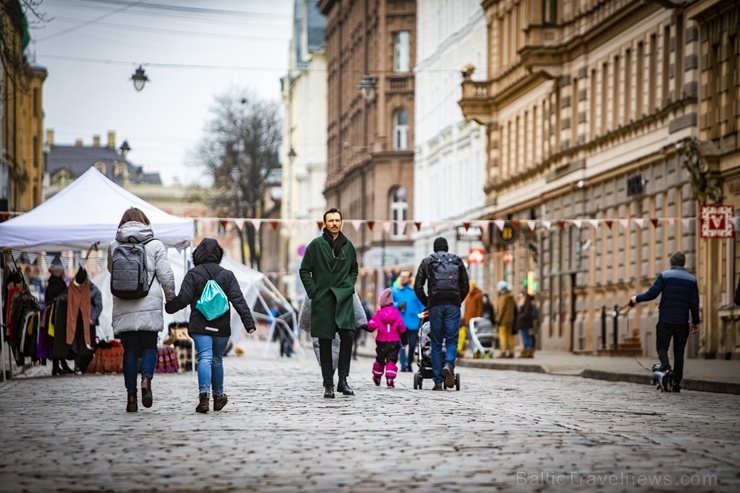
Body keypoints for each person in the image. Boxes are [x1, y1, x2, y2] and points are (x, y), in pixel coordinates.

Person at [165, 238, 257, 413]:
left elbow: (183, 299)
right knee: (217, 359)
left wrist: (169, 307)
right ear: (218, 254)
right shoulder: (227, 275)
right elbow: (239, 300)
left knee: (204, 358)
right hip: (221, 326)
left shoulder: (193, 274)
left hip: (200, 325)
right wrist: (249, 323)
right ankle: (219, 396)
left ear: (198, 254)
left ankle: (204, 397)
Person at [108, 207, 176, 413]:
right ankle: (146, 379)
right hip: (149, 303)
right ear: (144, 222)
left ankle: (131, 396)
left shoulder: (113, 245)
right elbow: (165, 275)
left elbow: (112, 271)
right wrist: (171, 298)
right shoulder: (155, 245)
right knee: (149, 347)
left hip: (124, 302)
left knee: (130, 350)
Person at [299, 207, 359, 398]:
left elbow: (354, 269)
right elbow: (304, 270)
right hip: (323, 300)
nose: (334, 223)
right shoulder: (316, 245)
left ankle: (343, 380)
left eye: (337, 220)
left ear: (342, 222)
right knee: (324, 342)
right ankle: (328, 384)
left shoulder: (348, 246)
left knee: (348, 337)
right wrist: (314, 292)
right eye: (331, 220)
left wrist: (349, 285)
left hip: (343, 300)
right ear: (325, 223)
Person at [629, 250, 700, 393]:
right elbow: (694, 303)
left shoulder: (664, 276)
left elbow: (652, 294)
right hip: (682, 322)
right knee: (679, 352)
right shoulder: (692, 280)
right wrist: (695, 322)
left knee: (662, 348)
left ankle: (667, 369)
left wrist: (636, 299)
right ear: (683, 263)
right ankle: (677, 383)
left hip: (665, 321)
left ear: (671, 262)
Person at [414, 236, 470, 391]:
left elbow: (417, 286)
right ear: (446, 247)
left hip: (436, 304)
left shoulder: (427, 261)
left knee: (436, 343)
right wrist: (458, 300)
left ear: (434, 248)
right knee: (452, 340)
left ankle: (438, 382)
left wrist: (428, 303)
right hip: (453, 304)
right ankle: (449, 364)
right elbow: (465, 285)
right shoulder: (457, 260)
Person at [298, 293, 368, 371]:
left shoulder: (316, 281)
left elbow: (308, 301)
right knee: (329, 349)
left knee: (327, 348)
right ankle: (331, 376)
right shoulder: (343, 281)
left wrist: (304, 323)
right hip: (333, 321)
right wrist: (361, 320)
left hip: (329, 322)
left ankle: (330, 376)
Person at [366, 288, 407, 388]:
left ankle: (377, 376)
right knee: (391, 360)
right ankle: (390, 379)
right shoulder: (396, 313)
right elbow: (402, 328)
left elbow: (371, 326)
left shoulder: (379, 314)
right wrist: (405, 341)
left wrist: (364, 326)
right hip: (394, 341)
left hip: (381, 341)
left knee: (380, 360)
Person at [391, 269, 425, 372]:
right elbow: (389, 304)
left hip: (413, 322)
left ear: (410, 278)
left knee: (412, 345)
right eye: (401, 276)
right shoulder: (395, 290)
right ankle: (403, 364)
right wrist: (398, 305)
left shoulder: (415, 291)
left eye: (405, 276)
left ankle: (409, 362)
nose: (403, 278)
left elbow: (422, 306)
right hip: (400, 322)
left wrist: (421, 315)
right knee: (401, 344)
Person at [45, 256, 73, 376]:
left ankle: (59, 365)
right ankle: (58, 365)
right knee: (58, 340)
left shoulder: (53, 283)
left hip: (56, 315)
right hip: (56, 316)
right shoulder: (56, 286)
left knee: (58, 340)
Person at [461, 280, 483, 355]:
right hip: (467, 319)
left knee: (475, 335)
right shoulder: (468, 295)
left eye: (471, 286)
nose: (470, 288)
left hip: (474, 320)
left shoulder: (478, 294)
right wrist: (464, 317)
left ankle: (477, 349)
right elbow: (466, 308)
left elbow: (480, 307)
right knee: (469, 335)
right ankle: (473, 350)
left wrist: (478, 317)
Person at [496, 281, 516, 358]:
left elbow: (501, 309)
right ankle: (511, 352)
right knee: (510, 336)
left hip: (503, 320)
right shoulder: (510, 297)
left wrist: (498, 319)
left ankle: (503, 351)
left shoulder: (503, 297)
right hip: (510, 320)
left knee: (502, 336)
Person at [515, 289, 535, 358]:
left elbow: (526, 313)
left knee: (526, 337)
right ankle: (528, 351)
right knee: (527, 337)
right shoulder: (526, 302)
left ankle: (527, 351)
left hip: (525, 323)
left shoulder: (526, 302)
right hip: (525, 323)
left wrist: (520, 317)